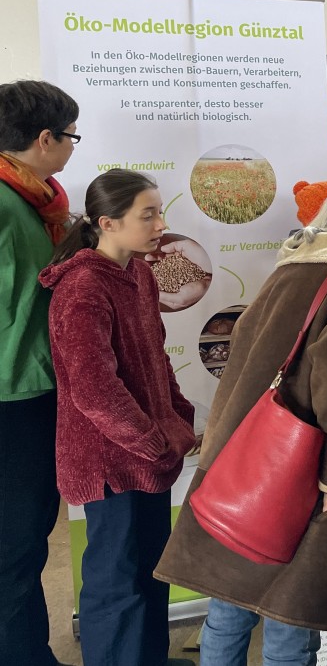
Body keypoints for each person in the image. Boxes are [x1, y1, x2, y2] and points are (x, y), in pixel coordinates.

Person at [155, 183, 327, 664]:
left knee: (228, 603)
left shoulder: (289, 268)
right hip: (305, 468)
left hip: (240, 458)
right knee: (289, 613)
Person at [39, 169, 196, 666]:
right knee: (117, 581)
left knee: (149, 571)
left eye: (159, 212)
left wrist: (177, 416)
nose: (159, 224)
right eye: (147, 215)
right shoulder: (82, 286)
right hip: (110, 460)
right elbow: (93, 389)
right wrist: (152, 439)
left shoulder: (140, 274)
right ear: (107, 223)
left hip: (148, 455)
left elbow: (155, 355)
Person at [0, 79, 78, 666]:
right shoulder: (6, 203)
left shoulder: (34, 199)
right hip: (12, 395)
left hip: (32, 385)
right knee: (18, 545)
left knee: (23, 542)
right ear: (45, 138)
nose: (73, 147)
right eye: (71, 135)